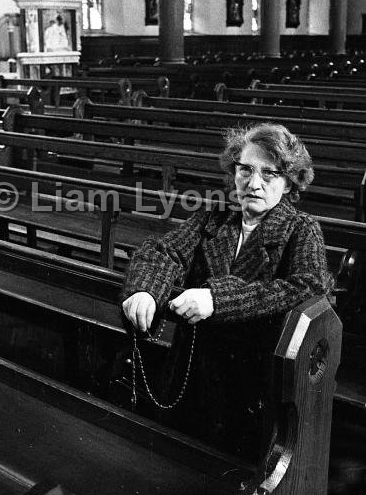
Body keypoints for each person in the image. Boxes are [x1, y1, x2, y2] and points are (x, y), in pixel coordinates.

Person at [121, 122, 334, 452]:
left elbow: (307, 288)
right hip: (193, 372)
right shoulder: (216, 215)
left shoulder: (301, 229)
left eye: (269, 174)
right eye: (245, 170)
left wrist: (218, 299)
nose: (254, 183)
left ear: (290, 181)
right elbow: (164, 251)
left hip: (252, 382)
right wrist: (145, 290)